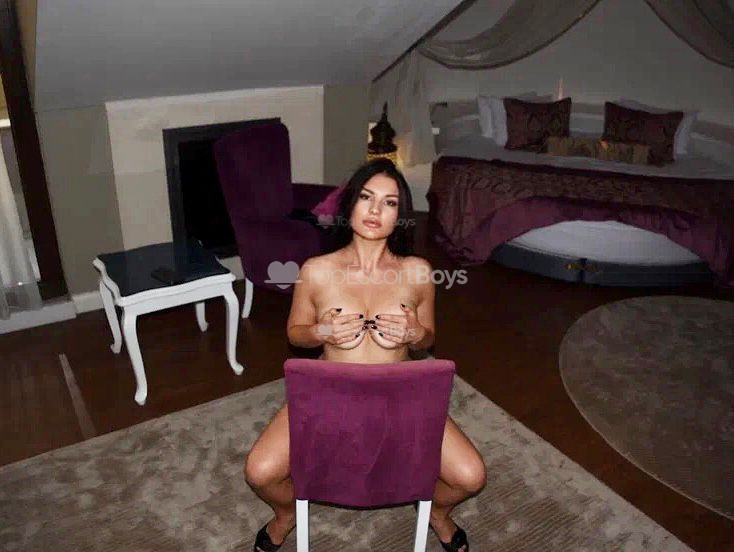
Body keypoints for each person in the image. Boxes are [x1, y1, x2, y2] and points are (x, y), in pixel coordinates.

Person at [244, 158, 487, 552]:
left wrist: (414, 333)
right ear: (350, 204)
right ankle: (286, 515)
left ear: (400, 216)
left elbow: (427, 339)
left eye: (389, 203)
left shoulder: (418, 272)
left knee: (470, 476)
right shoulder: (316, 270)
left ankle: (438, 514)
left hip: (402, 394)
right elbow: (295, 334)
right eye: (366, 198)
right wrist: (322, 331)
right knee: (259, 471)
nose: (375, 210)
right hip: (329, 391)